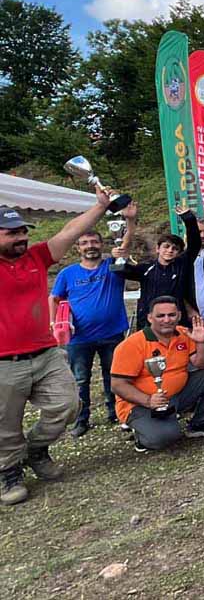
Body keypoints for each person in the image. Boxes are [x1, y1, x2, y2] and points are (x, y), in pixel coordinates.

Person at [0, 192, 111, 505]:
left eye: (23, 231)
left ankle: (35, 449)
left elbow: (71, 231)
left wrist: (101, 206)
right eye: (12, 233)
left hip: (46, 353)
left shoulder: (36, 256)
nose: (21, 237)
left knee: (68, 404)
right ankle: (9, 471)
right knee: (6, 423)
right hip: (4, 362)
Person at [110, 296, 204, 452]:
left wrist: (200, 343)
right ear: (150, 318)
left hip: (178, 394)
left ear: (179, 315)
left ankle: (200, 423)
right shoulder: (131, 345)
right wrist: (148, 400)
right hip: (141, 404)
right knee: (165, 438)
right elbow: (117, 385)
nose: (167, 320)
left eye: (171, 315)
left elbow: (201, 364)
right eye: (160, 316)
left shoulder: (183, 333)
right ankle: (141, 434)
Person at [49, 230, 128, 436]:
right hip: (78, 338)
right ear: (78, 248)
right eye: (84, 243)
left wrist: (129, 223)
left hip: (112, 334)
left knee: (114, 375)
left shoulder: (113, 266)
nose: (90, 246)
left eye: (94, 241)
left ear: (102, 244)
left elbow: (125, 246)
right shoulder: (67, 273)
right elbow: (54, 298)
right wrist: (54, 322)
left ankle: (116, 412)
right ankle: (81, 420)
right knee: (80, 379)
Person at [116, 203, 202, 327]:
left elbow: (195, 244)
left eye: (175, 248)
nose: (170, 250)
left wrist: (189, 219)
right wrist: (118, 256)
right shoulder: (146, 269)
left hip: (178, 322)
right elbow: (121, 270)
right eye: (166, 246)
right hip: (149, 323)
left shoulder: (183, 265)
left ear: (179, 252)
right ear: (158, 249)